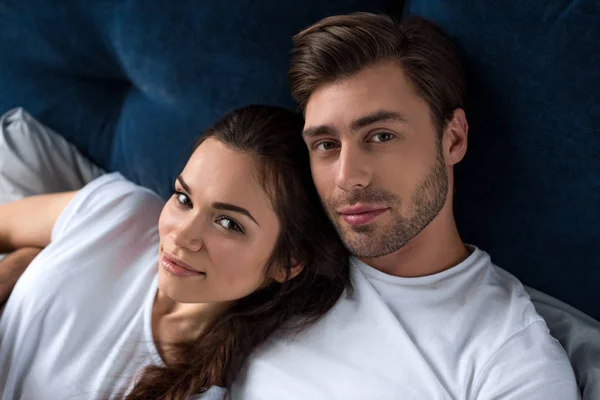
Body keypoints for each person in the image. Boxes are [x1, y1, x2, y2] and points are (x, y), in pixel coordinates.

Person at [229, 13, 581, 399]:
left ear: (453, 139)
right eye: (327, 145)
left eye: (381, 136)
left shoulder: (510, 361)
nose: (348, 178)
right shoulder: (275, 265)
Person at [0, 105, 350, 399]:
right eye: (184, 198)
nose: (182, 235)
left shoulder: (213, 388)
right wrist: (17, 265)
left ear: (288, 262)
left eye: (229, 224)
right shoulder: (122, 211)